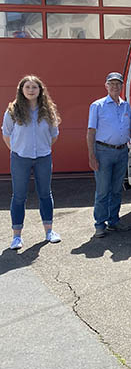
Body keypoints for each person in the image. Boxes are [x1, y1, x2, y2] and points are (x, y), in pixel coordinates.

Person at [87, 72, 131, 238]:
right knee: (102, 191)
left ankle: (114, 221)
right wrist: (91, 155)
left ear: (122, 87)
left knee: (116, 190)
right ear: (106, 86)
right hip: (103, 152)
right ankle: (99, 225)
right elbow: (91, 132)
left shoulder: (126, 106)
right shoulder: (97, 106)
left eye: (118, 84)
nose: (115, 87)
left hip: (122, 151)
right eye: (112, 84)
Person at [2, 76, 61, 250]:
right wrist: (19, 150)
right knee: (19, 196)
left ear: (40, 90)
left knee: (45, 193)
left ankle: (49, 232)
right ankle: (16, 236)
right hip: (20, 158)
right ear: (21, 90)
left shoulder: (48, 111)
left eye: (34, 87)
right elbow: (6, 135)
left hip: (43, 157)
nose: (30, 90)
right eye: (27, 87)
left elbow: (53, 135)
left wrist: (41, 149)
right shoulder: (13, 111)